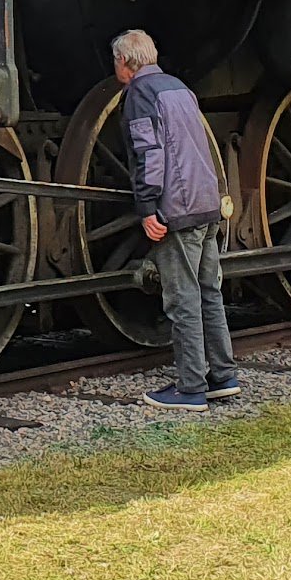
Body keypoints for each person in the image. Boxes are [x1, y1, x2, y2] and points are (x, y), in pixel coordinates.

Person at [112, 28, 238, 411]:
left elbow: (150, 154)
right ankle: (223, 376)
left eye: (115, 61)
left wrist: (148, 208)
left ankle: (190, 388)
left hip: (177, 210)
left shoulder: (140, 94)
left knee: (182, 299)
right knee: (209, 294)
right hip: (206, 202)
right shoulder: (179, 87)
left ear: (126, 63)